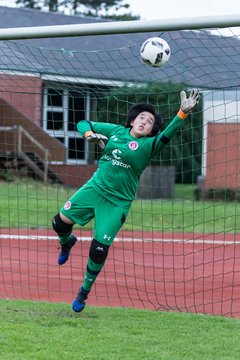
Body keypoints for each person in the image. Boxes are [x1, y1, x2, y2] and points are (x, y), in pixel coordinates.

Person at [52, 89, 200, 313]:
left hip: (117, 204)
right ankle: (67, 242)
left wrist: (182, 112)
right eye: (141, 117)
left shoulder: (148, 146)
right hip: (94, 189)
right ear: (132, 120)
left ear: (151, 130)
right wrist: (89, 136)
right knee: (58, 223)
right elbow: (83, 122)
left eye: (150, 121)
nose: (144, 122)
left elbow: (168, 133)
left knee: (99, 248)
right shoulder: (116, 131)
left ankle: (83, 292)